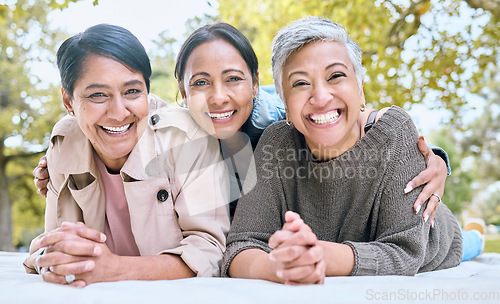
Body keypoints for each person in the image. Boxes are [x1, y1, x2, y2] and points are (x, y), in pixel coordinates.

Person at [33, 23, 449, 221]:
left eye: (233, 79)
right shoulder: (169, 126)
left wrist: (438, 159)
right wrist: (67, 153)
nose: (218, 97)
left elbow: (357, 119)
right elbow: (114, 108)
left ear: (255, 84)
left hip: (335, 228)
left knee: (455, 242)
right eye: (200, 83)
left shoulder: (282, 123)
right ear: (180, 91)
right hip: (243, 251)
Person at [221, 16, 463, 285]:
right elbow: (241, 245)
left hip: (437, 241)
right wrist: (276, 266)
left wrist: (320, 255)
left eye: (335, 76)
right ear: (285, 105)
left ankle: (473, 234)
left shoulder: (393, 131)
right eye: (300, 83)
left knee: (467, 243)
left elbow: (407, 251)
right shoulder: (276, 144)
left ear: (360, 90)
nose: (321, 97)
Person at [23, 24, 230, 287]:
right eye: (98, 95)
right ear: (68, 101)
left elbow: (210, 250)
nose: (119, 112)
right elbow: (53, 240)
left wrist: (116, 268)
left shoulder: (186, 136)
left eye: (132, 91)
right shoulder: (65, 142)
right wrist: (50, 255)